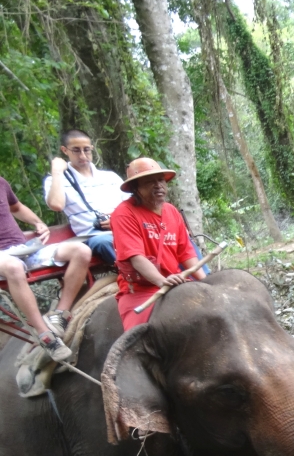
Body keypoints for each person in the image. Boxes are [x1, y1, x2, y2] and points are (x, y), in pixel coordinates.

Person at [0, 175, 92, 362]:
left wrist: (38, 223)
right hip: (5, 259)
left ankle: (60, 315)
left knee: (81, 251)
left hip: (24, 248)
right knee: (14, 267)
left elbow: (16, 207)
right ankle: (45, 335)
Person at [110, 158, 204, 330]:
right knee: (138, 338)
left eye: (161, 180)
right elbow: (136, 257)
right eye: (149, 182)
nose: (158, 185)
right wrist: (162, 281)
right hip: (142, 289)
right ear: (136, 188)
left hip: (177, 282)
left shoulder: (171, 211)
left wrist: (206, 282)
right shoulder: (124, 213)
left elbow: (186, 253)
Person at [44, 128, 128, 265]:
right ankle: (135, 273)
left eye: (86, 150)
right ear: (65, 150)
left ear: (92, 149)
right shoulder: (56, 180)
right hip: (94, 236)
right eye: (76, 150)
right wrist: (57, 171)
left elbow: (132, 204)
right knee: (105, 242)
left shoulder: (110, 177)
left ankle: (160, 269)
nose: (83, 155)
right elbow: (56, 205)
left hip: (124, 229)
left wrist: (117, 218)